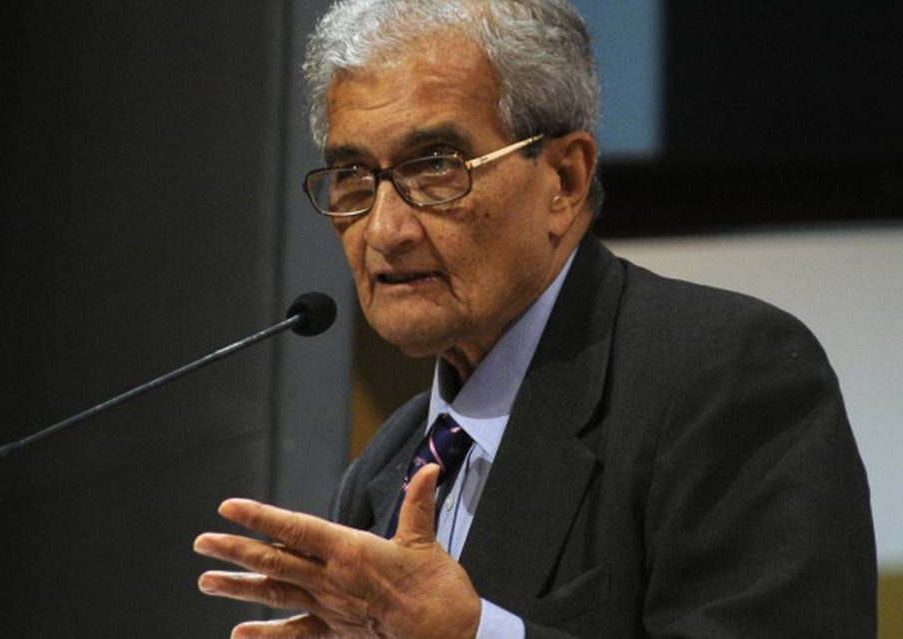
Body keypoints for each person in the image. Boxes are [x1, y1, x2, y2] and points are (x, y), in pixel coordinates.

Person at [193, 1, 877, 636]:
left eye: (436, 167)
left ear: (565, 181)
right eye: (353, 176)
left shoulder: (725, 379)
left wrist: (474, 634)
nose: (384, 229)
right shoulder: (384, 471)